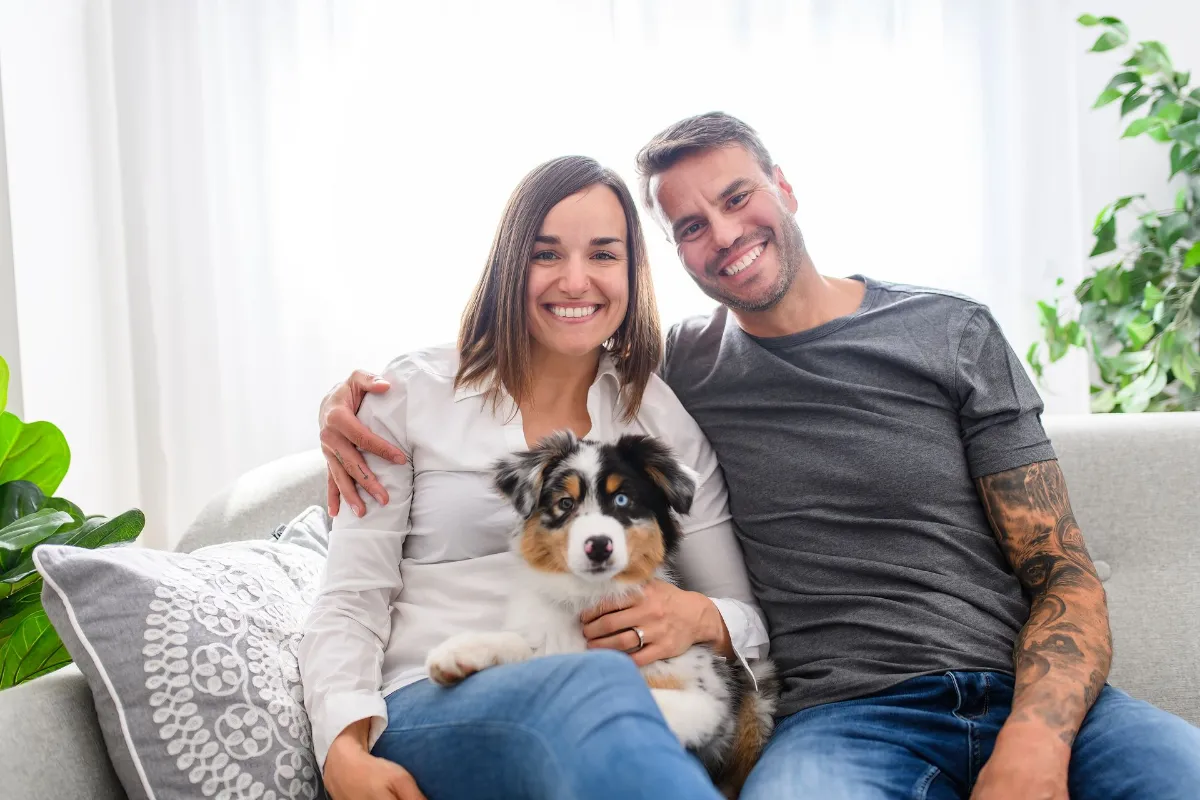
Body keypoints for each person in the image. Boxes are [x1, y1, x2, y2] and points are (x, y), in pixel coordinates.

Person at [321, 113, 1200, 799]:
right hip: (843, 718)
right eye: (690, 225)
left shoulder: (937, 334)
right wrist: (338, 409)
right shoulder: (664, 382)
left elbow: (1065, 574)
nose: (724, 234)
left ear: (783, 184)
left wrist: (1037, 740)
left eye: (738, 197)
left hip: (1020, 687)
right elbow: (354, 588)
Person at [298, 154, 769, 800]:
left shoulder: (658, 417)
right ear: (509, 263)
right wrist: (342, 748)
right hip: (433, 699)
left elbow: (742, 616)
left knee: (620, 704)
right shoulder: (405, 394)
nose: (575, 281)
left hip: (623, 715)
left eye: (604, 255)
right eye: (547, 254)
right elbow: (350, 596)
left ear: (633, 272)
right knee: (601, 688)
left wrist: (699, 618)